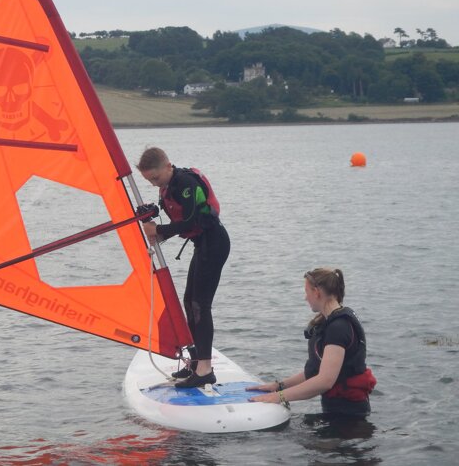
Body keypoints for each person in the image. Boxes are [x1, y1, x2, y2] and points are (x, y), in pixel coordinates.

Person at [136, 147, 230, 388]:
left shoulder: (186, 182)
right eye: (149, 181)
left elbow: (191, 221)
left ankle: (205, 370)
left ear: (168, 166)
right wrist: (156, 228)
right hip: (202, 245)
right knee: (189, 302)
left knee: (200, 305)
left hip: (215, 243)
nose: (154, 184)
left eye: (155, 178)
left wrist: (158, 230)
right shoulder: (168, 186)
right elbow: (180, 223)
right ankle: (195, 362)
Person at [248, 268, 377, 415]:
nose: (305, 298)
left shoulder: (338, 328)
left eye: (307, 292)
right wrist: (279, 386)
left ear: (316, 292)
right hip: (336, 411)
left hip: (349, 417)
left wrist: (278, 397)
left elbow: (325, 381)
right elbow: (314, 371)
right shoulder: (330, 321)